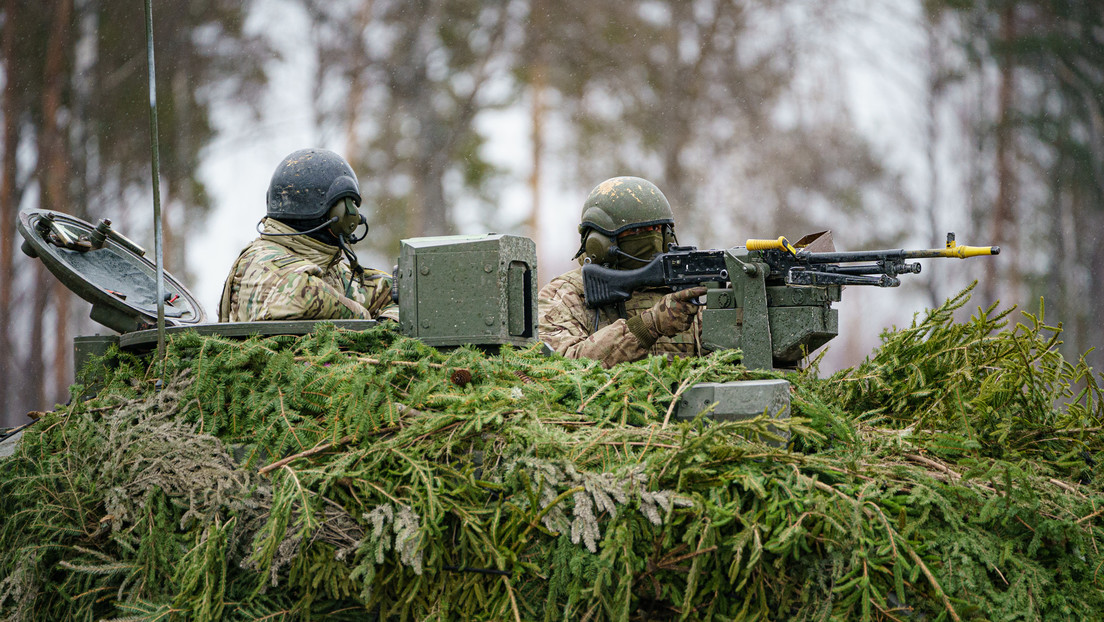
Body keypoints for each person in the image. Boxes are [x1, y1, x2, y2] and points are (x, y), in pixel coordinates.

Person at [538, 176, 706, 368]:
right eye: (635, 232)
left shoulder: (682, 290)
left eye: (656, 229)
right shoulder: (564, 296)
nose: (650, 239)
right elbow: (561, 369)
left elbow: (724, 364)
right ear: (599, 242)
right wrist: (649, 325)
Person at [218, 148, 399, 322]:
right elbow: (300, 295)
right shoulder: (263, 262)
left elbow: (401, 295)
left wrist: (389, 321)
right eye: (349, 204)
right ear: (337, 212)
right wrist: (365, 320)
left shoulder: (330, 268)